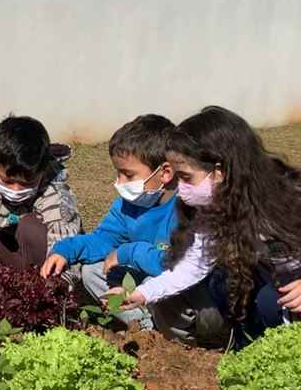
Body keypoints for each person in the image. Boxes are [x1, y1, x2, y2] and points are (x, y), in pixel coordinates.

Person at [108, 106, 300, 348]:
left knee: (269, 301)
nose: (181, 186)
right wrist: (143, 293)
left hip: (289, 288)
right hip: (276, 282)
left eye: (186, 178)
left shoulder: (285, 201)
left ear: (220, 171)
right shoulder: (216, 207)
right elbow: (192, 265)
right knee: (229, 281)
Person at [42, 115, 179, 331]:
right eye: (118, 173)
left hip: (175, 286)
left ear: (165, 173)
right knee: (93, 271)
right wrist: (64, 251)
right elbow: (103, 239)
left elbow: (175, 266)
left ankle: (171, 330)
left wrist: (129, 252)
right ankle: (143, 327)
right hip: (142, 280)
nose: (119, 183)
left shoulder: (186, 209)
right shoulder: (126, 206)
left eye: (128, 174)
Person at [0, 115, 81, 270]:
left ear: (42, 171)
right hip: (6, 242)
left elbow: (66, 247)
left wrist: (57, 282)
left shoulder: (55, 197)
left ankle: (31, 280)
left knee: (30, 226)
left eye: (27, 183)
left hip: (39, 255)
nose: (15, 190)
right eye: (7, 181)